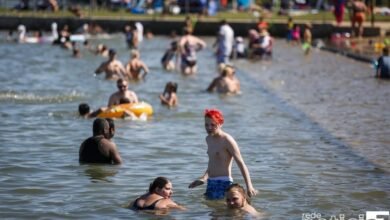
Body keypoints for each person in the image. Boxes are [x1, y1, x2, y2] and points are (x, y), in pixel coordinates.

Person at [188, 109, 257, 200]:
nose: (209, 128)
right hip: (211, 182)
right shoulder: (208, 139)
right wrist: (203, 178)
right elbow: (212, 162)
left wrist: (249, 186)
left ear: (220, 124)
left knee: (224, 212)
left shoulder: (227, 140)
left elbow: (241, 164)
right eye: (206, 125)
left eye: (213, 125)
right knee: (212, 212)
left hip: (224, 183)